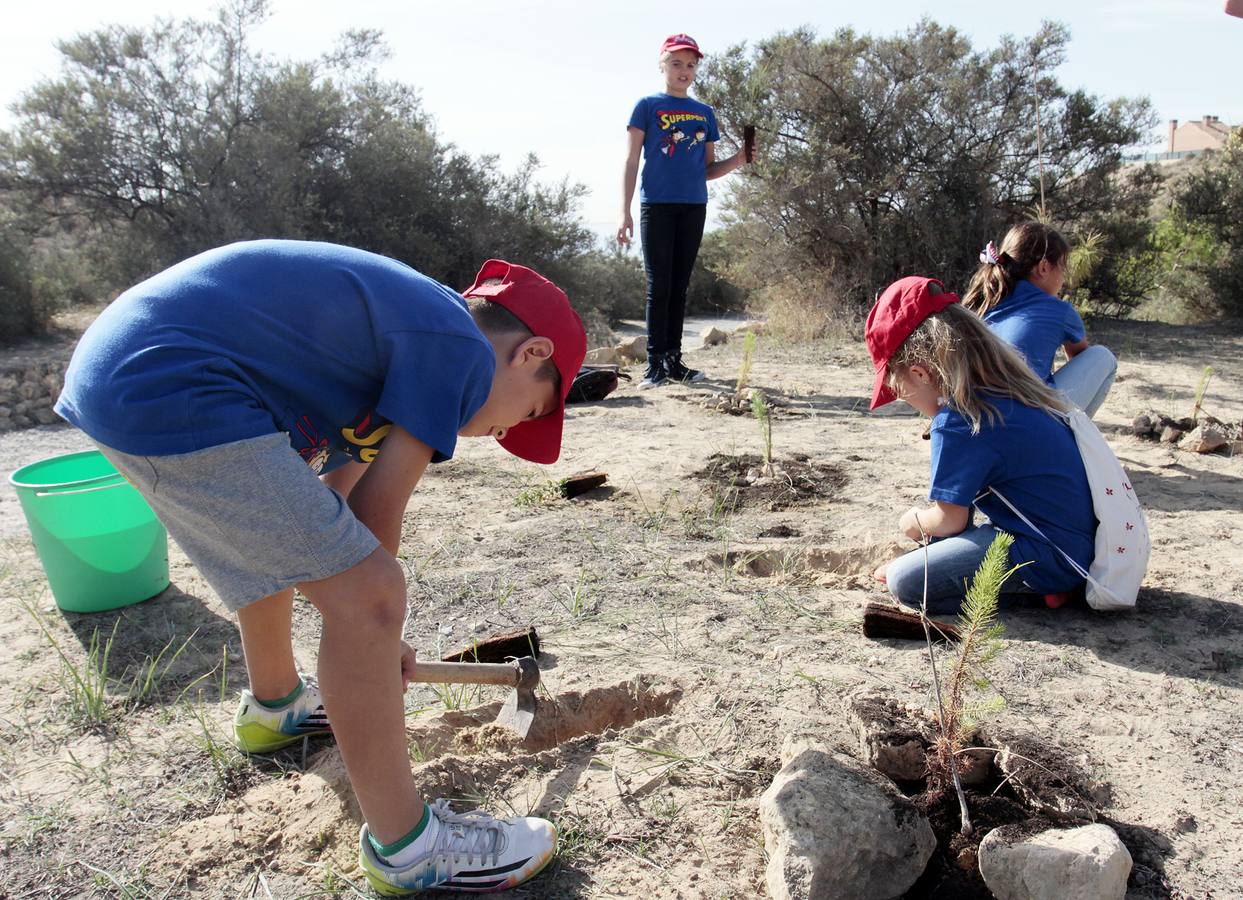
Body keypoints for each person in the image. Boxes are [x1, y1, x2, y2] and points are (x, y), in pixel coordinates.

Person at [54, 240, 586, 895]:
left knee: (303, 541)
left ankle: (275, 706)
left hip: (127, 371)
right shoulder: (458, 347)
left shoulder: (404, 337)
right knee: (372, 594)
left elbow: (335, 508)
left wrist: (365, 624)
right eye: (527, 412)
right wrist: (373, 626)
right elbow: (378, 519)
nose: (503, 434)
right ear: (531, 354)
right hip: (174, 380)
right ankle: (411, 851)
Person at [866, 276, 1096, 616]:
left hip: (1050, 557)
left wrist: (913, 520)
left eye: (899, 391)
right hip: (1081, 548)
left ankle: (1038, 592)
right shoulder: (1010, 390)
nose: (906, 401)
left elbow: (949, 522)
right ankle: (1051, 585)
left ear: (920, 374)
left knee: (906, 581)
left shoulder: (959, 419)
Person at [617, 33, 750, 389]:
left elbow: (707, 170)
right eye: (676, 63)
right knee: (658, 285)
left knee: (679, 286)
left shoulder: (704, 113)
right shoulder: (646, 106)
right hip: (656, 205)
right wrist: (624, 212)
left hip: (693, 206)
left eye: (690, 65)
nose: (684, 70)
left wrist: (738, 161)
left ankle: (674, 361)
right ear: (662, 65)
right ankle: (654, 365)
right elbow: (631, 162)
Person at [962, 222, 1117, 418]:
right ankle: (1075, 435)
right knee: (1104, 357)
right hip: (1026, 419)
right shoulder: (1059, 311)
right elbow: (1080, 359)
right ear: (1044, 267)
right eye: (1062, 268)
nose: (1064, 279)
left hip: (978, 415)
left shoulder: (983, 302)